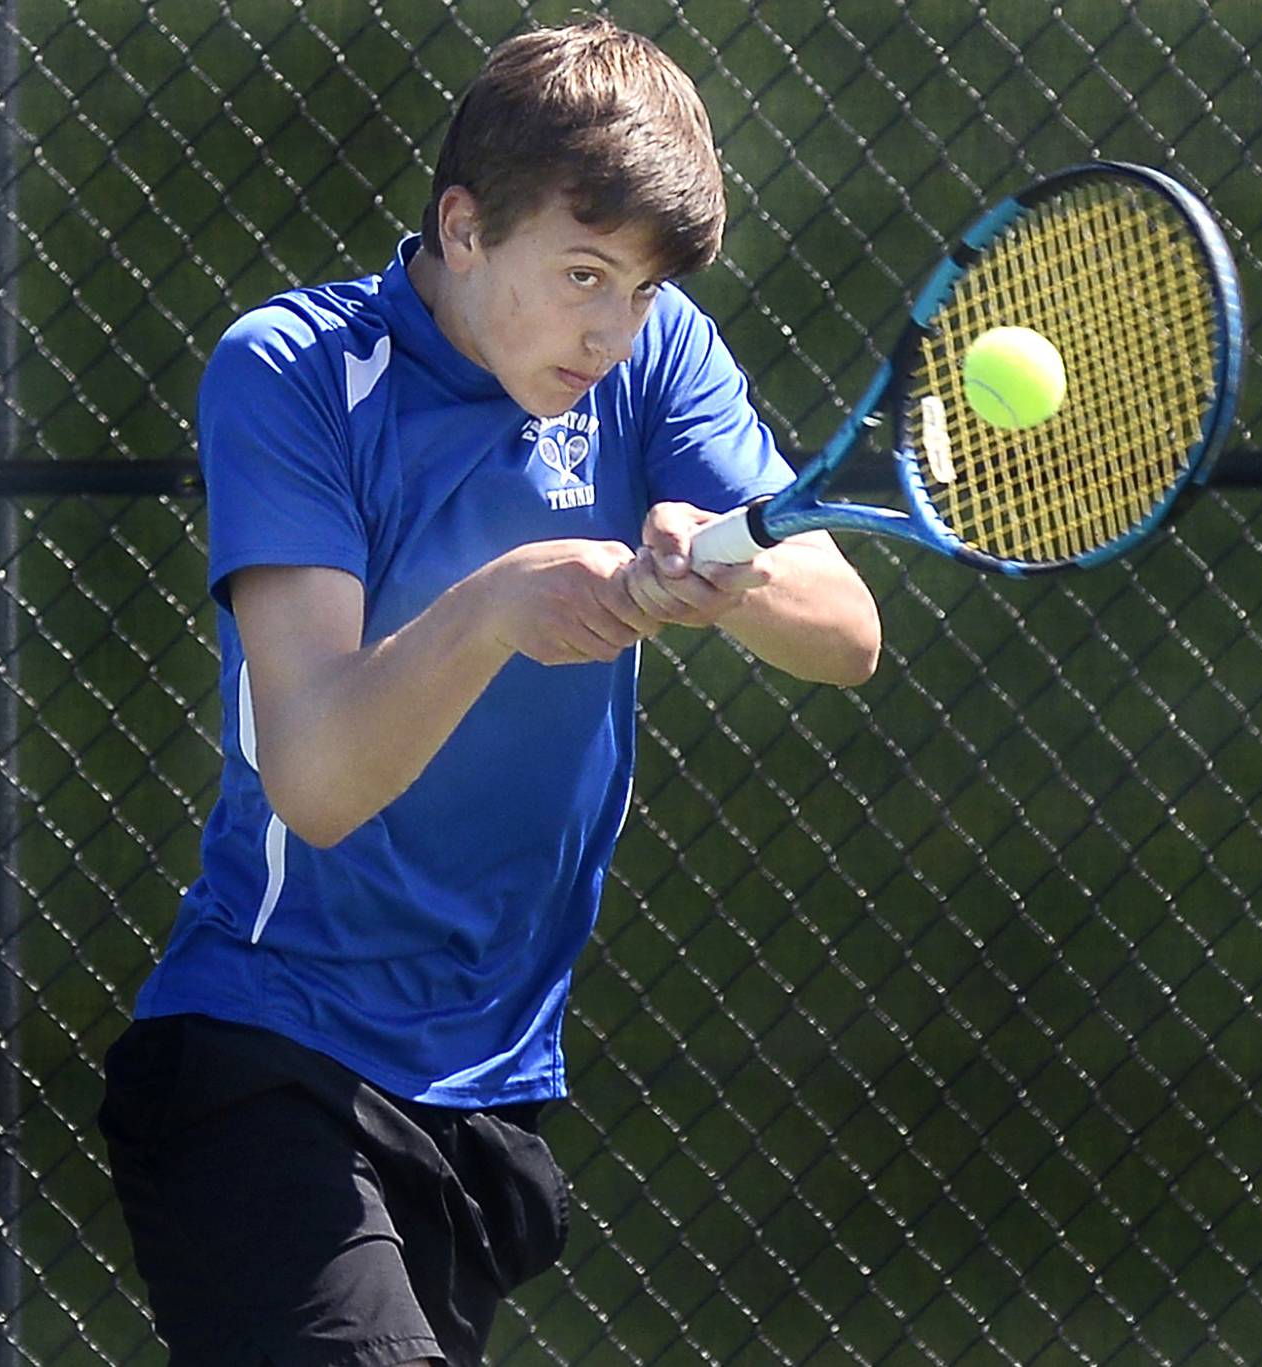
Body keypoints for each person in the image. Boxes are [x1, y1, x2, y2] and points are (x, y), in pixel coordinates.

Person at [98, 17, 880, 1367]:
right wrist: (499, 603)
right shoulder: (292, 371)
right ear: (463, 228)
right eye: (581, 273)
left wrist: (723, 576)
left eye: (637, 288)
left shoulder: (656, 354)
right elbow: (320, 782)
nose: (608, 327)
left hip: (489, 1082)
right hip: (268, 1055)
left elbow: (845, 629)